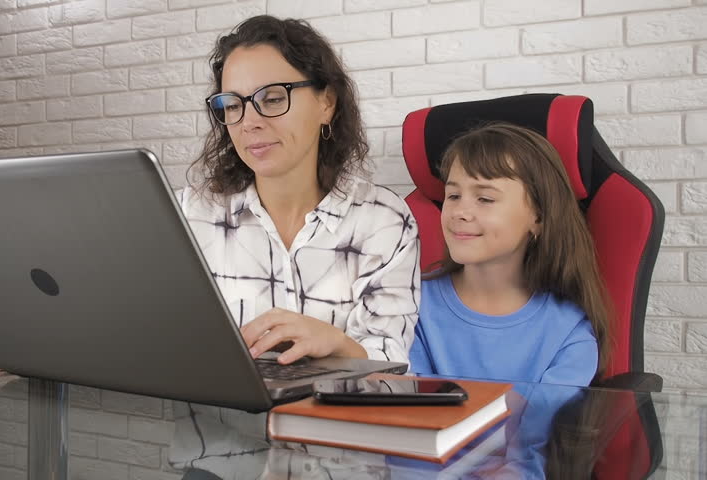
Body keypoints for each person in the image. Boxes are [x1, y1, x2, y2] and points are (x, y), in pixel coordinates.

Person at [170, 15, 420, 479]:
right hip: (217, 461)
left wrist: (341, 344)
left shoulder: (383, 220)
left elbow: (393, 371)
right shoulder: (192, 213)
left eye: (271, 98)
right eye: (232, 105)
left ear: (327, 101)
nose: (248, 122)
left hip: (342, 464)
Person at [409, 122, 611, 387]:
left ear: (538, 217)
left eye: (485, 199)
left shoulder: (568, 330)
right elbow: (409, 406)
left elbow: (545, 421)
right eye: (454, 195)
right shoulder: (408, 304)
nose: (460, 212)